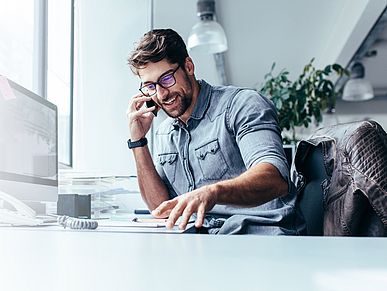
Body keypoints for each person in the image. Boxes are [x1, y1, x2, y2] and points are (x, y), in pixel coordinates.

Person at [126, 28, 305, 235]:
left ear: (188, 66)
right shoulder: (166, 132)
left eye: (166, 79)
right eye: (150, 86)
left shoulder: (242, 105)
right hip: (208, 244)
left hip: (262, 236)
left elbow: (275, 179)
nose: (161, 94)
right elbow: (162, 209)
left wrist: (213, 192)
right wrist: (138, 141)